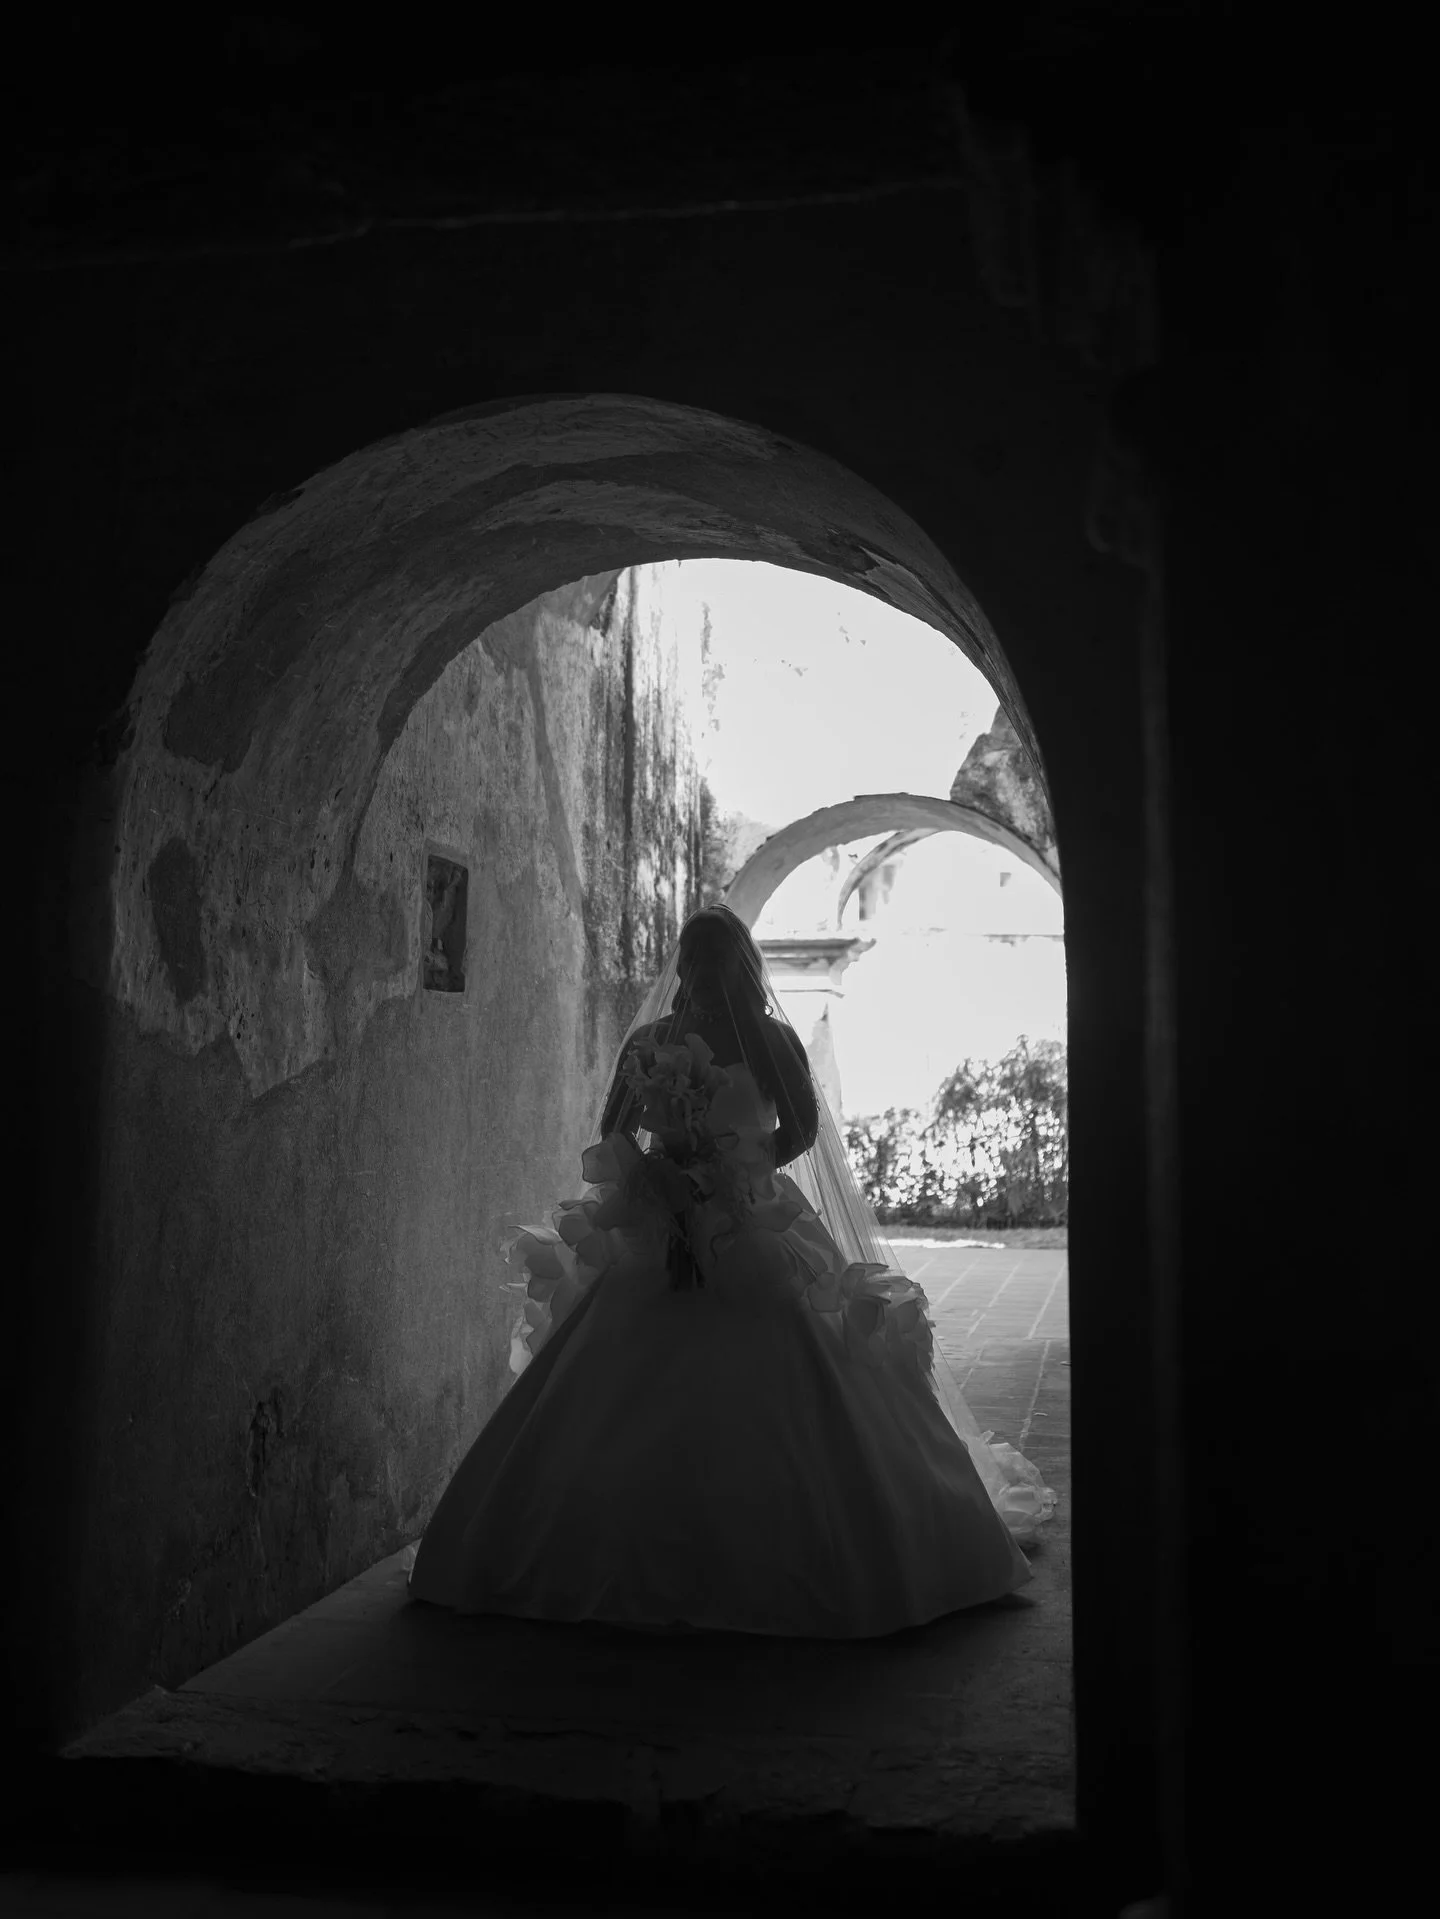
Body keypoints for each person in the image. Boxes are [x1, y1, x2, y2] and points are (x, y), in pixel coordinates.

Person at [407, 904, 1055, 1637]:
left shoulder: (769, 1039)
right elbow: (613, 1129)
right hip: (663, 1217)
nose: (704, 976)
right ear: (688, 965)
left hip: (752, 1215)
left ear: (731, 966)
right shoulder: (653, 1041)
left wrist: (735, 1170)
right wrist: (663, 1176)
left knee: (795, 1348)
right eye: (697, 963)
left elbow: (802, 1127)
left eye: (713, 963)